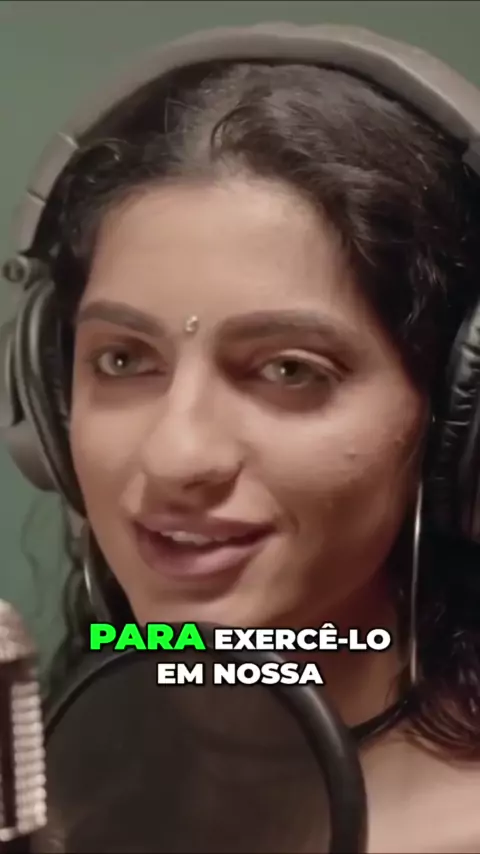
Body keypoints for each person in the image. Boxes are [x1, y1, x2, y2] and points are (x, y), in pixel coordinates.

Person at [4, 22, 480, 854]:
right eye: (122, 359)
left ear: (451, 422)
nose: (177, 456)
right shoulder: (56, 798)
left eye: (289, 370)